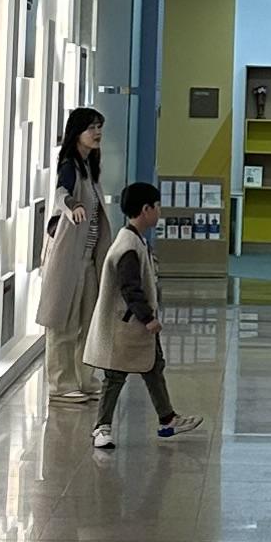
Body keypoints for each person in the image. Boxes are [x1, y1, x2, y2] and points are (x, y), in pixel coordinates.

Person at [85, 178, 184, 447]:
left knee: (153, 366)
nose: (159, 211)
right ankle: (101, 427)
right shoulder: (127, 246)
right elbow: (130, 287)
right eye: (157, 206)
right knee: (116, 375)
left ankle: (167, 419)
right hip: (126, 325)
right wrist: (148, 318)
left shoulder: (135, 240)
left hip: (133, 324)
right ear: (145, 209)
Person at [34, 105, 107, 405]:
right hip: (68, 258)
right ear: (77, 132)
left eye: (99, 127)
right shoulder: (70, 166)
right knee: (62, 322)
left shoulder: (90, 167)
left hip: (88, 258)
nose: (97, 132)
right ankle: (61, 383)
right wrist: (73, 206)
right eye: (92, 127)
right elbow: (61, 194)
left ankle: (84, 379)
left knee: (88, 322)